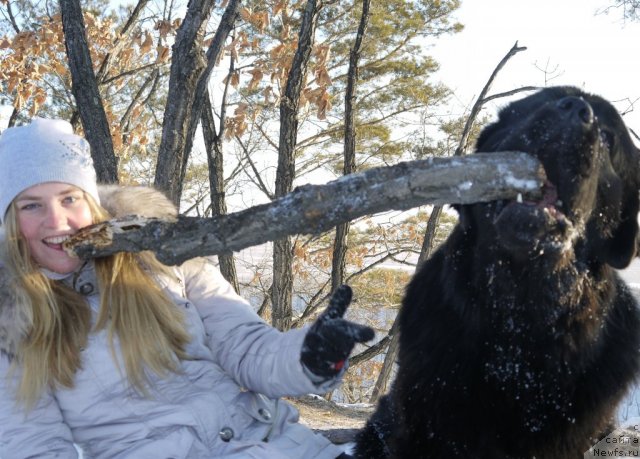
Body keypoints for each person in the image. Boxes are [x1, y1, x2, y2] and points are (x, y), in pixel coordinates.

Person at [0, 118, 375, 459]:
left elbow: (246, 348)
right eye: (31, 206)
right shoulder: (9, 320)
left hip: (280, 446)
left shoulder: (161, 255)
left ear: (92, 203)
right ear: (8, 222)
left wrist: (310, 353)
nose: (57, 221)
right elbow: (33, 446)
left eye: (69, 199)